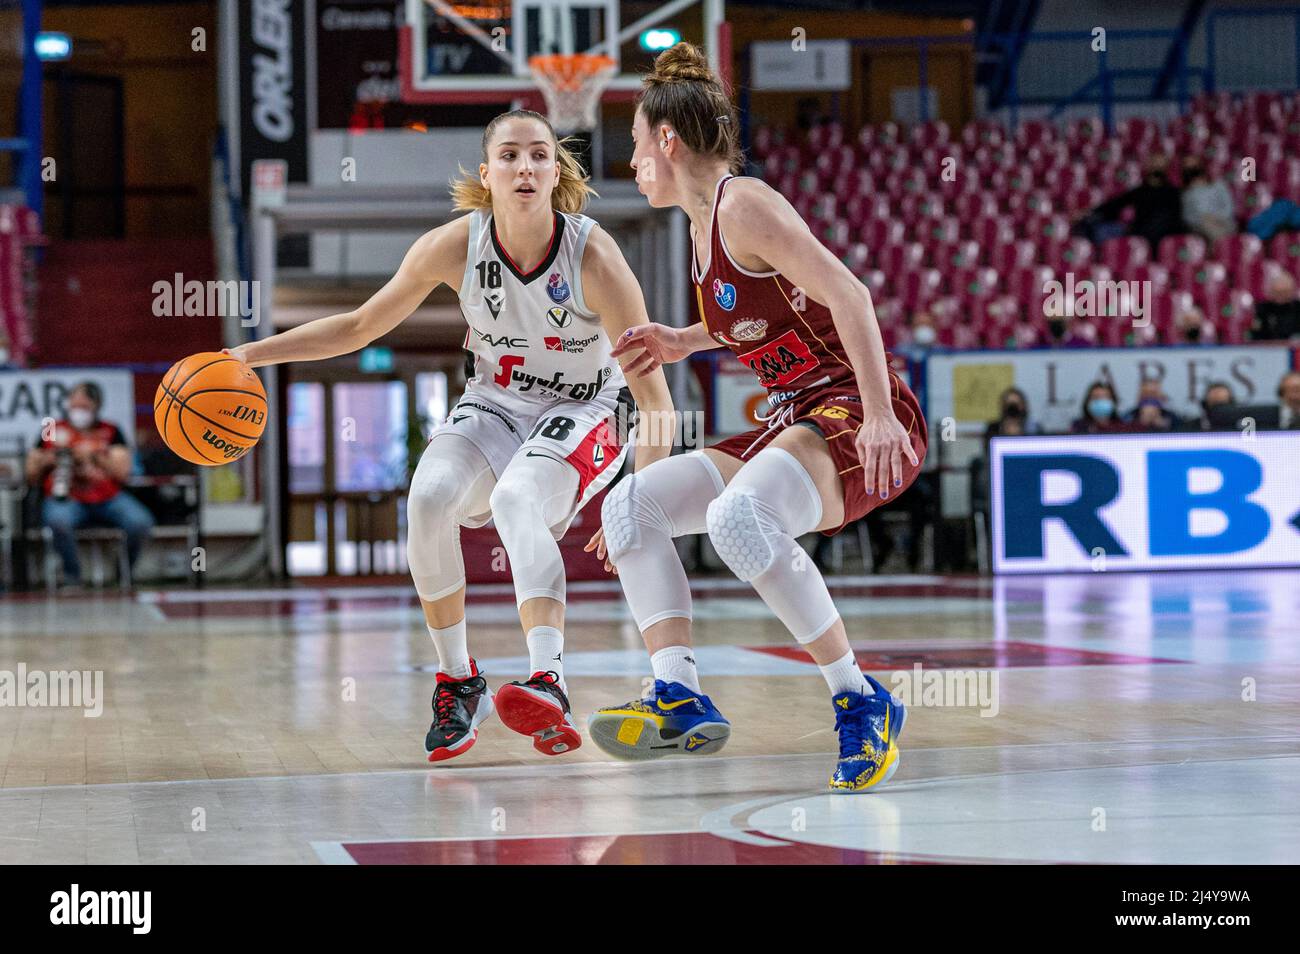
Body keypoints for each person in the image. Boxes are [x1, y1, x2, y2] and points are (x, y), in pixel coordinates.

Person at [226, 109, 675, 763]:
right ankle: (457, 680)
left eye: (539, 155)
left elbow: (656, 402)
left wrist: (638, 501)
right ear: (486, 174)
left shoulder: (594, 254)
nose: (525, 166)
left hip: (585, 409)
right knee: (429, 497)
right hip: (494, 403)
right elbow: (357, 326)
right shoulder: (454, 246)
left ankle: (549, 679)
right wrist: (247, 357)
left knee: (518, 499)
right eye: (511, 155)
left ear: (556, 171)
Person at [581, 43, 927, 793]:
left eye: (637, 146)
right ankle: (676, 692)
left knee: (739, 519)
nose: (635, 164)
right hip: (794, 414)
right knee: (630, 507)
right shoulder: (704, 227)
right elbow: (760, 316)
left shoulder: (744, 205)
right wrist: (683, 338)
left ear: (667, 141)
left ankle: (860, 699)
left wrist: (874, 416)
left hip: (853, 405)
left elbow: (851, 295)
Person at [25, 381, 155, 589]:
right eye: (75, 406)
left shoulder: (110, 431)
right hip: (67, 497)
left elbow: (123, 472)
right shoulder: (52, 429)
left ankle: (124, 573)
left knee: (140, 521)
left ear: (96, 407)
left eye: (84, 407)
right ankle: (72, 577)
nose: (78, 412)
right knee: (58, 521)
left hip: (107, 497)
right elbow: (30, 473)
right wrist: (48, 459)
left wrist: (93, 457)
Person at [1079, 154, 1184, 250]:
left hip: (1160, 235)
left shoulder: (1173, 193)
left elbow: (1173, 219)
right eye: (1155, 162)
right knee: (1099, 229)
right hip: (1138, 232)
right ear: (1148, 165)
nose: (1157, 166)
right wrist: (1089, 212)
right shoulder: (1140, 191)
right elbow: (1114, 204)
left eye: (1161, 164)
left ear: (1167, 168)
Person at [1180, 157, 1234, 242]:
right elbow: (1187, 217)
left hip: (1225, 222)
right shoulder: (1187, 194)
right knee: (1209, 227)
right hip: (1200, 226)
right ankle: (1223, 249)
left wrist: (1215, 217)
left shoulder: (1219, 185)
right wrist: (1203, 218)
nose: (1192, 169)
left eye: (1195, 166)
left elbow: (1229, 208)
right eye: (1188, 167)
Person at [1250, 269, 1300, 341]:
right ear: (1271, 292)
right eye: (1277, 292)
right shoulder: (1263, 309)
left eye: (1285, 292)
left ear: (1292, 292)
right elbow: (1256, 335)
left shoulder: (1298, 308)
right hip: (1268, 349)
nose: (1281, 296)